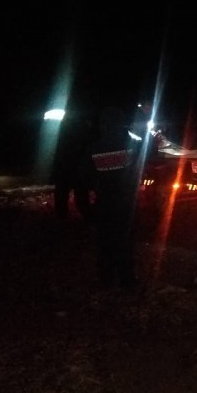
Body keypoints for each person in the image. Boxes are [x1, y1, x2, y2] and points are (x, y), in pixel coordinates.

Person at [82, 106, 145, 291]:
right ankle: (127, 280)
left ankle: (106, 279)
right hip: (127, 204)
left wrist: (86, 209)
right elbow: (141, 170)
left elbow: (84, 179)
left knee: (105, 243)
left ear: (103, 125)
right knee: (126, 243)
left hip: (105, 203)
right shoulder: (134, 145)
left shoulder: (94, 148)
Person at [51, 113, 95, 221]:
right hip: (75, 162)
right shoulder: (82, 126)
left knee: (66, 189)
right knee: (77, 190)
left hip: (70, 162)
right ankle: (86, 215)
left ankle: (63, 216)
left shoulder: (67, 126)